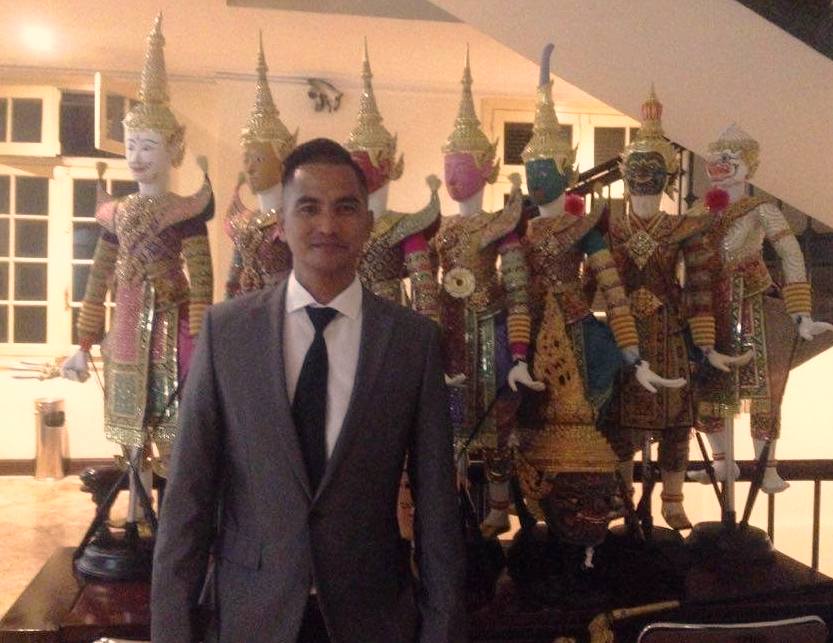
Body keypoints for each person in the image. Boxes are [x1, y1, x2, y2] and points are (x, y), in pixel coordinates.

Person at [151, 138, 465, 643]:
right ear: (281, 221)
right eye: (309, 207)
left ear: (368, 221)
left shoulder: (412, 342)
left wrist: (442, 631)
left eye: (346, 208)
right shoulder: (227, 333)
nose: (327, 225)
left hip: (372, 615)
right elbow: (188, 497)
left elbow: (437, 507)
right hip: (252, 614)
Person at [224, 32, 297, 298]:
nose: (250, 168)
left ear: (282, 161)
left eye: (258, 159)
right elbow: (233, 279)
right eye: (246, 159)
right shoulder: (245, 223)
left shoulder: (295, 221)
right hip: (245, 311)